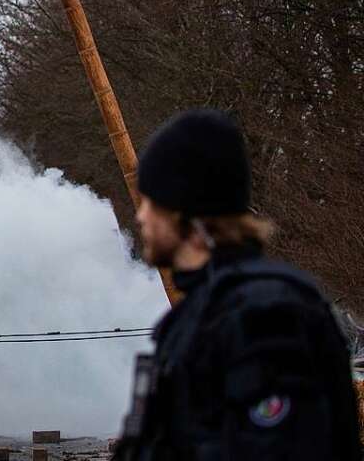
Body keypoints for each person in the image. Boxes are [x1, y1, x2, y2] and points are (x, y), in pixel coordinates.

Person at [114, 109, 361, 460]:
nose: (140, 216)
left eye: (150, 202)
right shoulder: (197, 318)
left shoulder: (267, 317)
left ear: (184, 210)